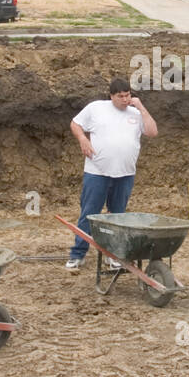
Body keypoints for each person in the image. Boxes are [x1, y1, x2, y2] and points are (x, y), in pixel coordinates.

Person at [65, 78, 158, 271]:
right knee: (89, 214)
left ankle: (113, 255)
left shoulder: (136, 112)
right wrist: (83, 139)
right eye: (120, 96)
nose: (125, 99)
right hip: (97, 172)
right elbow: (75, 124)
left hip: (125, 173)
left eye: (128, 95)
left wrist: (142, 108)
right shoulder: (96, 108)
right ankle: (77, 255)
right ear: (111, 96)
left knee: (117, 216)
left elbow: (152, 132)